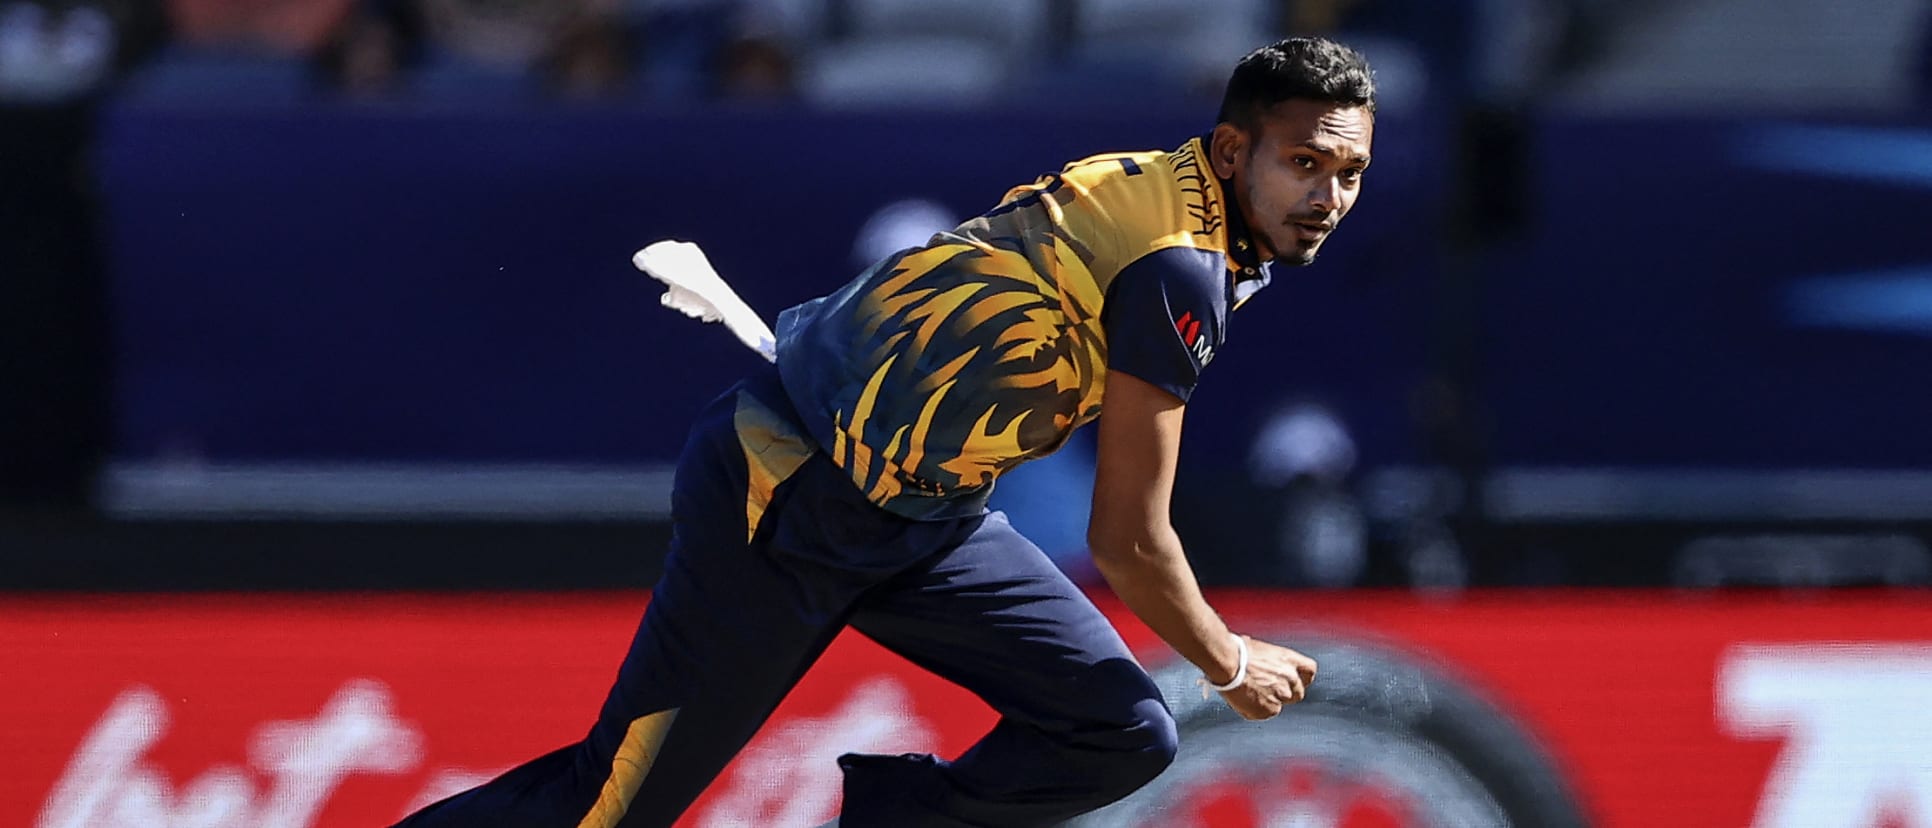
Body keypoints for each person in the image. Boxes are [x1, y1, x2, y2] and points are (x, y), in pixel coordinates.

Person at [396, 35, 1376, 828]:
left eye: (1349, 172)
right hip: (788, 493)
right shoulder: (1181, 266)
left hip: (927, 519)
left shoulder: (1173, 188)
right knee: (603, 809)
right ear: (1234, 149)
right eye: (1304, 164)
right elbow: (1127, 536)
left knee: (1118, 733)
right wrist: (1227, 661)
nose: (1327, 198)